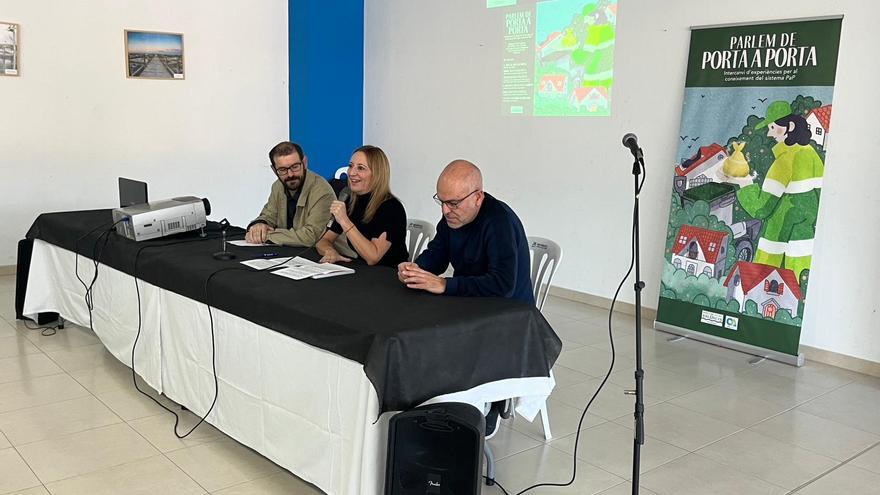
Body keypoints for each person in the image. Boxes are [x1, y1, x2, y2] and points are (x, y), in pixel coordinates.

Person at [397, 160, 534, 304]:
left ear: (478, 198)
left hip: (512, 312)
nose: (445, 210)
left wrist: (445, 285)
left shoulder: (499, 221)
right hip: (470, 302)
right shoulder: (453, 216)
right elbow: (437, 254)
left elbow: (502, 285)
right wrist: (415, 270)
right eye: (441, 201)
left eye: (453, 203)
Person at [737, 100, 824, 280]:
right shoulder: (811, 154)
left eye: (773, 127)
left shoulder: (784, 161)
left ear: (789, 126)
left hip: (778, 230)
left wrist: (743, 182)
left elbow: (761, 208)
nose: (769, 134)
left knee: (764, 281)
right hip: (806, 226)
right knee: (801, 274)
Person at [316, 145, 408, 267]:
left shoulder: (391, 208)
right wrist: (330, 251)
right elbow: (323, 240)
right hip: (362, 272)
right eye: (350, 166)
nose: (352, 173)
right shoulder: (350, 200)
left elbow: (373, 258)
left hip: (389, 276)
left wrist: (344, 220)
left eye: (361, 168)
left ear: (377, 174)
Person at [246, 141, 335, 246]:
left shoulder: (322, 191)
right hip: (291, 254)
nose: (290, 174)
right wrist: (259, 225)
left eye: (295, 167)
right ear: (274, 170)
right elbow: (269, 215)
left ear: (305, 162)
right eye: (283, 170)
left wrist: (267, 235)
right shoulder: (278, 186)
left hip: (328, 256)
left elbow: (311, 236)